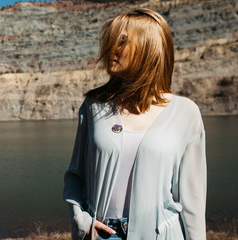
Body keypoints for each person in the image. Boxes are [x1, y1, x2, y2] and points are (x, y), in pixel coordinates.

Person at [63, 8, 206, 240]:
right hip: (102, 234)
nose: (109, 49)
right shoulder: (94, 106)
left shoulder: (185, 112)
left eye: (120, 42)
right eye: (110, 41)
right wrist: (81, 220)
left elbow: (192, 199)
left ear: (148, 47)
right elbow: (74, 177)